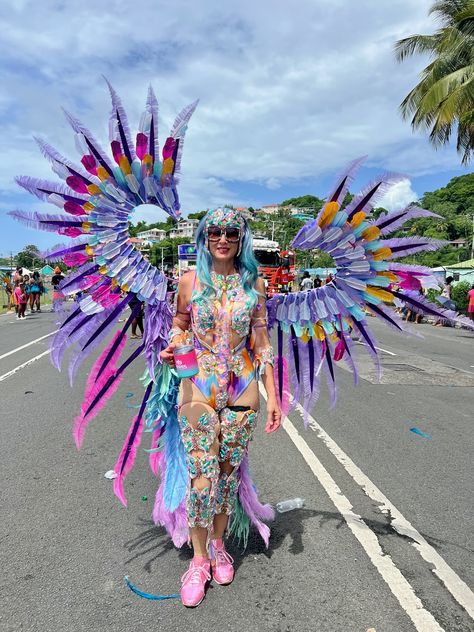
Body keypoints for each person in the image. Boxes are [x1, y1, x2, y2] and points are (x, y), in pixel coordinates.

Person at [159, 208, 281, 607]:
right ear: (204, 236)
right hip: (199, 383)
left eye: (231, 232)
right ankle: (197, 562)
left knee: (227, 477)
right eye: (215, 232)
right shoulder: (189, 281)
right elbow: (179, 323)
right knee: (201, 477)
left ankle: (217, 545)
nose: (223, 238)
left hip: (243, 387)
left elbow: (261, 344)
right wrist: (175, 344)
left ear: (241, 238)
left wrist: (274, 396)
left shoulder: (255, 285)